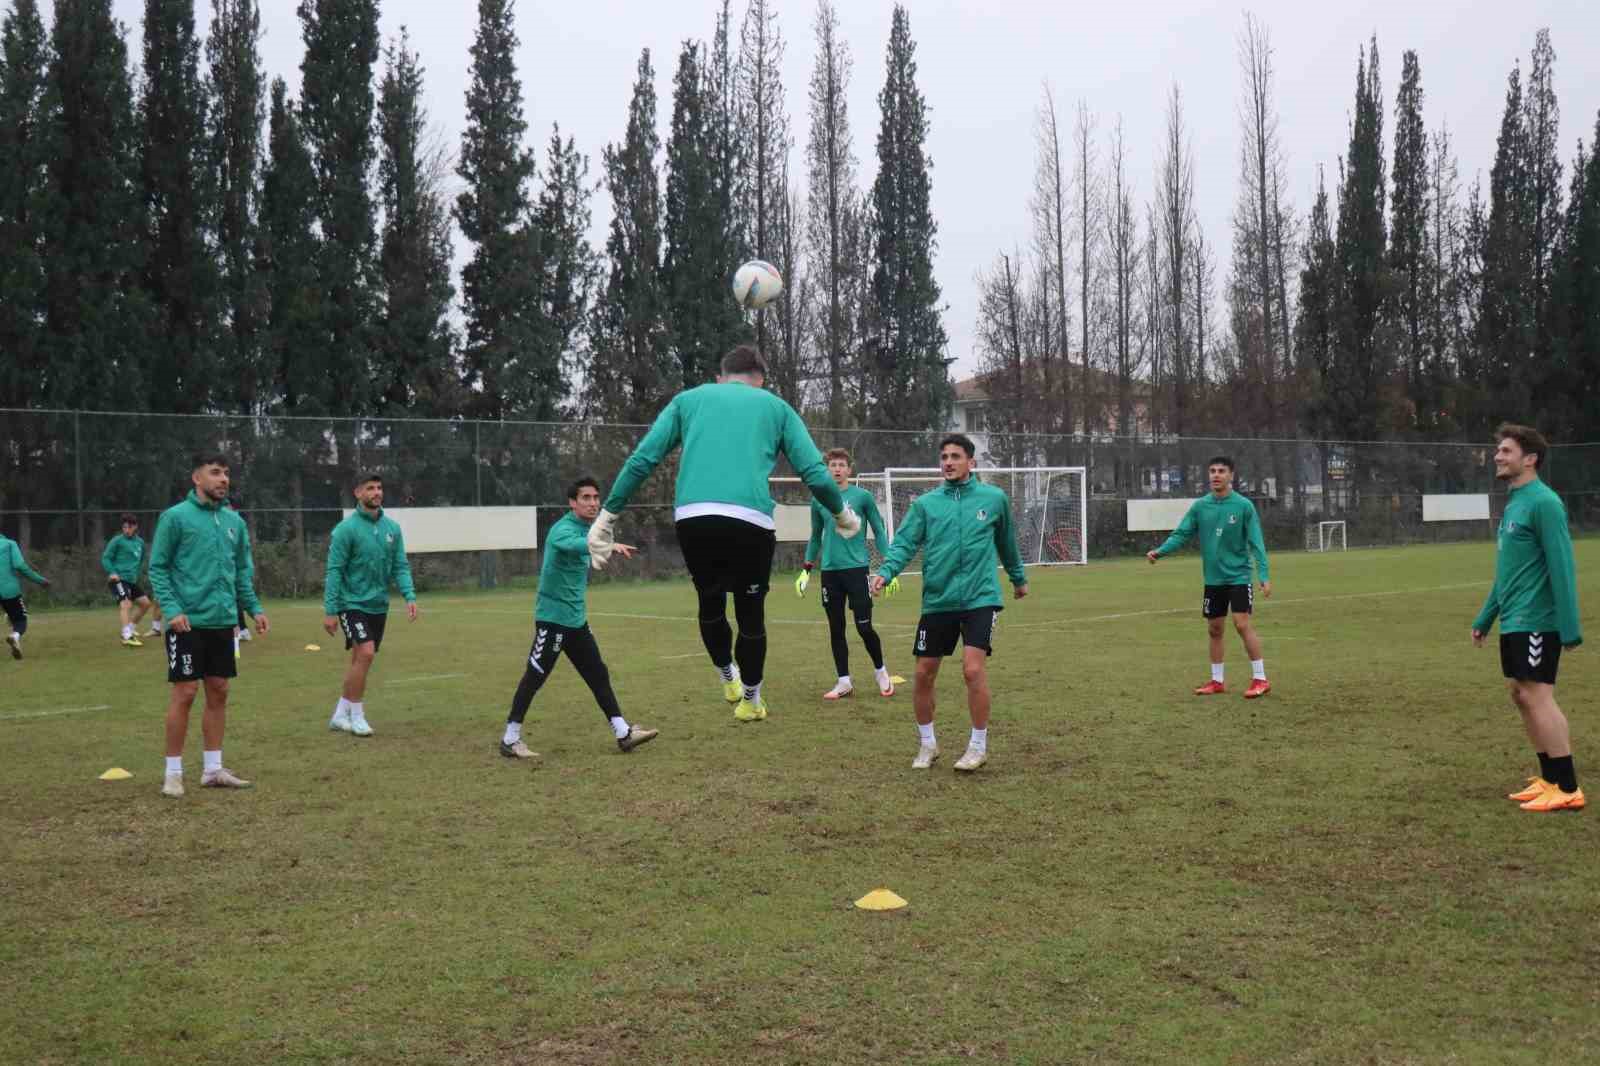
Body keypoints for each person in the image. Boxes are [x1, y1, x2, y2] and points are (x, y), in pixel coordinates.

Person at [587, 344, 860, 722]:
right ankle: (751, 700)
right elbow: (814, 472)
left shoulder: (689, 400)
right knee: (751, 615)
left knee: (710, 603)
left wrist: (606, 517)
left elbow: (643, 459)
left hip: (694, 517)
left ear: (720, 376)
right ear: (761, 381)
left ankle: (726, 676)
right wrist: (842, 515)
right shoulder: (776, 407)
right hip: (750, 520)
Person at [870, 434, 1028, 772]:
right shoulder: (926, 505)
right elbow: (904, 544)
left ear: (971, 462)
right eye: (944, 456)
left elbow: (1007, 543)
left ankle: (978, 746)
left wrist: (1018, 579)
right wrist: (886, 572)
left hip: (980, 597)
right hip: (938, 600)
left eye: (956, 456)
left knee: (972, 670)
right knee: (924, 674)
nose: (948, 462)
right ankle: (928, 745)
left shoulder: (994, 499)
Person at [500, 477, 657, 760]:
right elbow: (578, 545)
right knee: (535, 676)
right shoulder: (561, 531)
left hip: (576, 621)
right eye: (586, 497)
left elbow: (589, 543)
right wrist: (608, 546)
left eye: (596, 497)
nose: (593, 502)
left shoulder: (590, 529)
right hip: (553, 620)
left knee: (598, 674)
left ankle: (623, 733)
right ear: (572, 502)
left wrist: (604, 545)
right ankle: (510, 739)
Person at [1472, 423, 1584, 812]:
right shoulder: (1515, 502)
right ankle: (1550, 778)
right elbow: (1509, 572)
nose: (1497, 457)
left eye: (1506, 451)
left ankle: (1568, 788)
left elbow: (1562, 565)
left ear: (1530, 459)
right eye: (1499, 451)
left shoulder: (1544, 503)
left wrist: (1569, 626)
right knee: (1522, 694)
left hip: (1539, 619)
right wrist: (1486, 617)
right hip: (1516, 619)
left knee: (1537, 696)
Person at [148, 453, 268, 798]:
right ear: (196, 478)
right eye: (216, 473)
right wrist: (172, 610)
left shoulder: (235, 523)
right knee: (185, 692)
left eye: (227, 474)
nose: (223, 480)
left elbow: (242, 571)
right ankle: (173, 773)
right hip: (185, 623)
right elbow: (158, 568)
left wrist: (253, 608)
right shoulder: (175, 518)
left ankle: (213, 770)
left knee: (219, 690)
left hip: (222, 621)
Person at [1146, 456, 1273, 699]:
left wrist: (1264, 575)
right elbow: (1182, 534)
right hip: (1213, 579)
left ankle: (1260, 678)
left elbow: (1256, 543)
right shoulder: (1200, 506)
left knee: (1241, 623)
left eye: (1221, 471)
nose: (1216, 475)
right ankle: (1217, 681)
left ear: (1231, 476)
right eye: (1212, 471)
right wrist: (1160, 552)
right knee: (1215, 629)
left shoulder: (1244, 506)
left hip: (1238, 576)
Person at [796, 448, 899, 700]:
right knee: (836, 628)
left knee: (864, 627)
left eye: (842, 464)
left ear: (849, 469)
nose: (837, 469)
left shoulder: (862, 497)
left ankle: (881, 672)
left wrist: (890, 567)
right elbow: (815, 536)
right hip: (830, 573)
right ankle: (844, 682)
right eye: (833, 465)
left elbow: (879, 530)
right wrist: (806, 569)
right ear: (827, 468)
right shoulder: (818, 499)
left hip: (857, 571)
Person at [322, 473, 417, 738]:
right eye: (370, 488)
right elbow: (335, 570)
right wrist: (330, 610)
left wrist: (409, 595)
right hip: (350, 603)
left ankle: (340, 715)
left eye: (379, 488)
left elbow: (400, 565)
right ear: (358, 493)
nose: (376, 492)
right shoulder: (345, 530)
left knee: (359, 660)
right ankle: (357, 715)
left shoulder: (392, 529)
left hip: (378, 605)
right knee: (366, 653)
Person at [102, 514, 164, 646]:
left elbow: (140, 560)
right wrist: (112, 572)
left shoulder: (140, 543)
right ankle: (126, 636)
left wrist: (134, 575)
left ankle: (130, 628)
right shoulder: (117, 541)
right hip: (118, 580)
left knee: (146, 604)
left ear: (135, 527)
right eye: (124, 527)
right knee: (126, 604)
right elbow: (106, 558)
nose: (127, 530)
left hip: (131, 581)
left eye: (129, 527)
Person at [0, 530, 49, 661]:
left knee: (10, 614)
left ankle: (9, 616)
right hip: (8, 590)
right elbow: (20, 565)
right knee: (20, 620)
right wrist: (40, 580)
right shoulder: (10, 544)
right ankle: (15, 636)